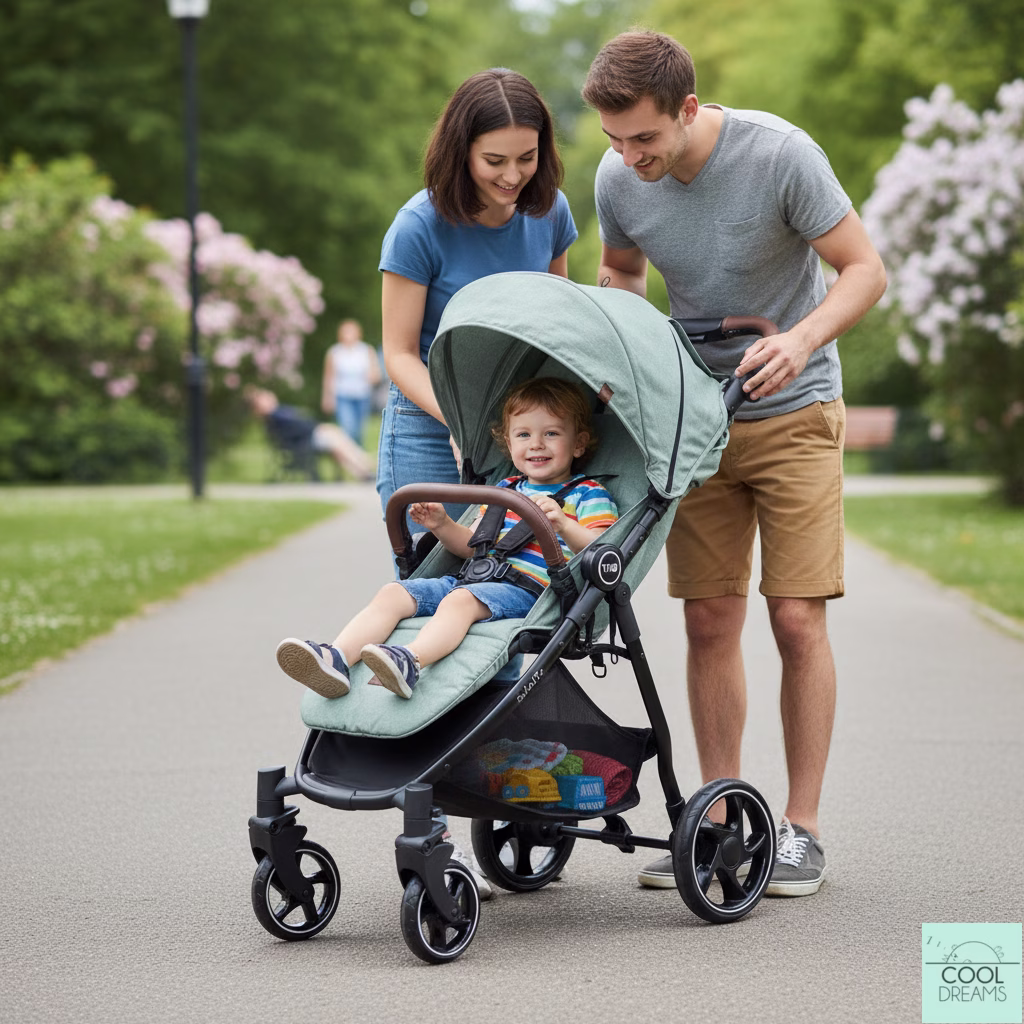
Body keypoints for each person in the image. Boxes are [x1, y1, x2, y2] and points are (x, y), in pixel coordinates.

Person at [582, 31, 887, 897]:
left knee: (796, 619)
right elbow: (619, 267)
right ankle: (717, 821)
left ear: (686, 109)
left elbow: (864, 271)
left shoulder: (781, 155)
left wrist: (800, 337)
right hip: (697, 421)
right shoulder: (618, 178)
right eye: (614, 141)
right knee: (709, 620)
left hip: (794, 411)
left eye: (643, 138)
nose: (629, 158)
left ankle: (801, 831)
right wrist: (626, 342)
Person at [276, 377, 617, 699]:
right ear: (509, 443)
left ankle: (409, 661)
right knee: (394, 592)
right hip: (472, 579)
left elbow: (601, 551)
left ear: (578, 444)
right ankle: (336, 659)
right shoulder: (505, 491)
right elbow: (473, 545)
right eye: (524, 435)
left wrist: (564, 527)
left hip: (531, 591)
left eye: (552, 433)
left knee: (459, 601)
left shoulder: (587, 494)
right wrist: (441, 525)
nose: (536, 444)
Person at [377, 68, 578, 529]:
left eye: (526, 157)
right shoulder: (417, 227)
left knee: (517, 581)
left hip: (523, 425)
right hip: (427, 422)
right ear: (460, 152)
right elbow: (399, 354)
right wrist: (460, 422)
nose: (513, 176)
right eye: (494, 161)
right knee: (427, 582)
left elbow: (555, 326)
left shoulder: (550, 212)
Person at [245, 386, 375, 482]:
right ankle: (364, 465)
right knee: (336, 440)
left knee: (336, 442)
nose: (270, 396)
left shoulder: (278, 414)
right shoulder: (276, 415)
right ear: (260, 406)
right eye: (265, 397)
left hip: (310, 436)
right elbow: (299, 426)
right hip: (306, 440)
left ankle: (362, 469)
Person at [321, 319, 381, 448]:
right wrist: (327, 398)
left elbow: (376, 374)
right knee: (348, 427)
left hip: (362, 395)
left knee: (359, 431)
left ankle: (357, 458)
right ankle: (349, 454)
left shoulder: (366, 350)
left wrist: (372, 377)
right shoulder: (334, 352)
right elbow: (329, 377)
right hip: (343, 395)